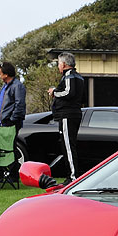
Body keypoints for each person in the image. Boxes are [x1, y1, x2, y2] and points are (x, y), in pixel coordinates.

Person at [47, 52, 85, 183]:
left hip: (67, 115)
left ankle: (73, 177)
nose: (58, 66)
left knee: (68, 146)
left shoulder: (69, 76)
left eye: (58, 64)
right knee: (69, 145)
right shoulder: (79, 77)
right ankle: (71, 175)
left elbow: (69, 92)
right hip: (73, 114)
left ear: (64, 64)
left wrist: (54, 92)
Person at [0, 61, 26, 180]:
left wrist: (12, 119)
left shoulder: (17, 86)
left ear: (6, 74)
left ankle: (13, 175)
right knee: (1, 148)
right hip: (2, 122)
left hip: (10, 122)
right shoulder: (5, 87)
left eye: (0, 73)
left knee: (11, 148)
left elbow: (20, 105)